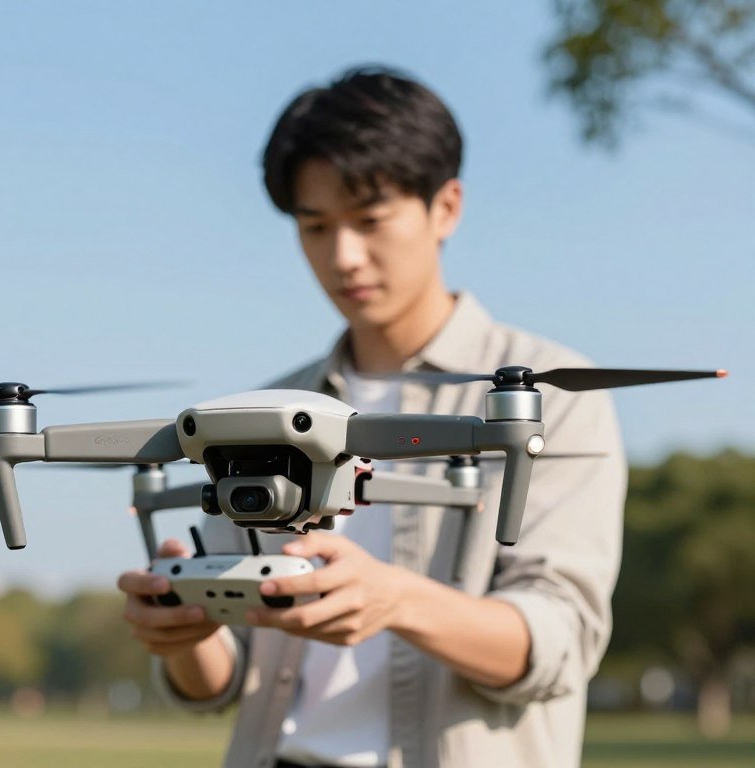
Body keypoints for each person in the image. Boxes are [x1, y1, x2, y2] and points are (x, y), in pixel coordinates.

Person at [117, 66, 627, 768]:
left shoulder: (552, 394)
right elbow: (222, 679)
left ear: (446, 207)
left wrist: (398, 602)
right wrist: (186, 629)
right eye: (315, 227)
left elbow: (560, 640)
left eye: (369, 220)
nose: (343, 256)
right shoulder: (266, 409)